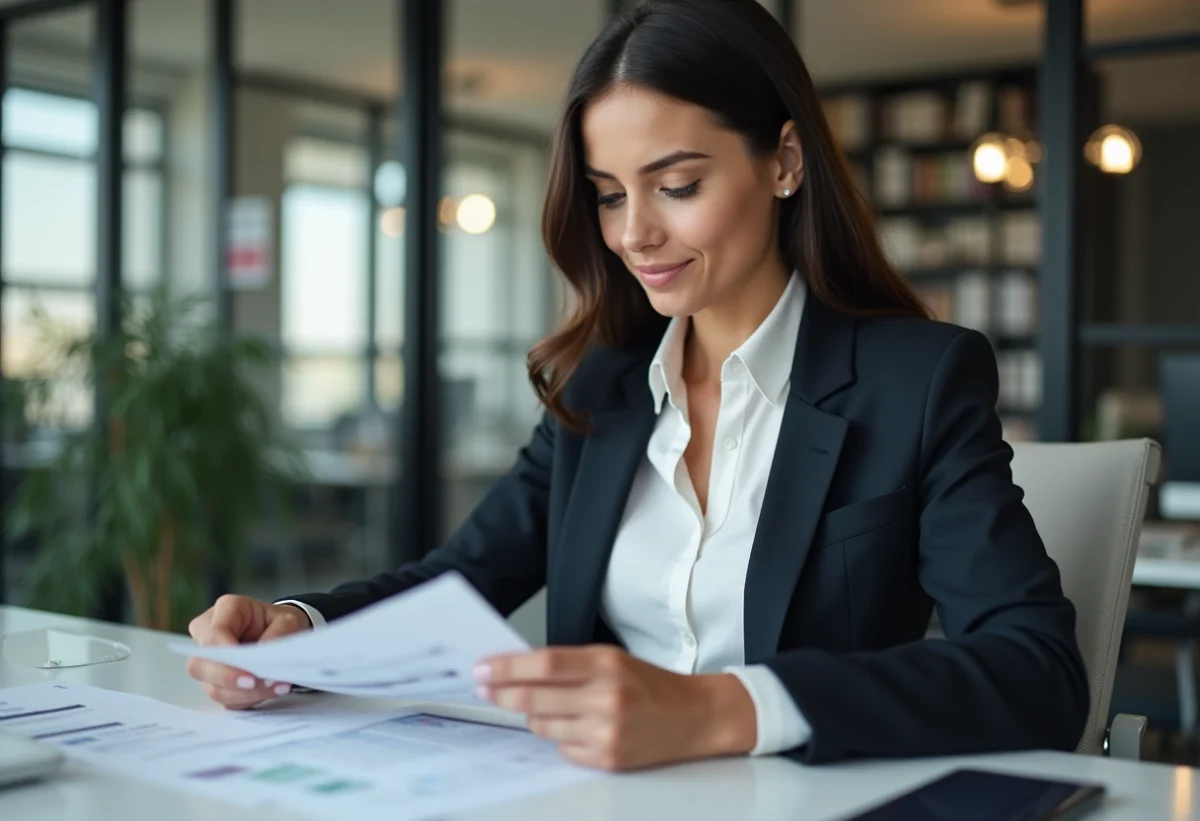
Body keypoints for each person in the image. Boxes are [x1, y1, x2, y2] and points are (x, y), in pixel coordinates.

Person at [186, 0, 1089, 772]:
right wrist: (304, 630)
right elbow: (461, 579)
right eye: (610, 195)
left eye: (679, 185)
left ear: (784, 161)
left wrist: (723, 709)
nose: (635, 234)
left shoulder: (916, 381)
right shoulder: (603, 384)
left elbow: (1037, 671)